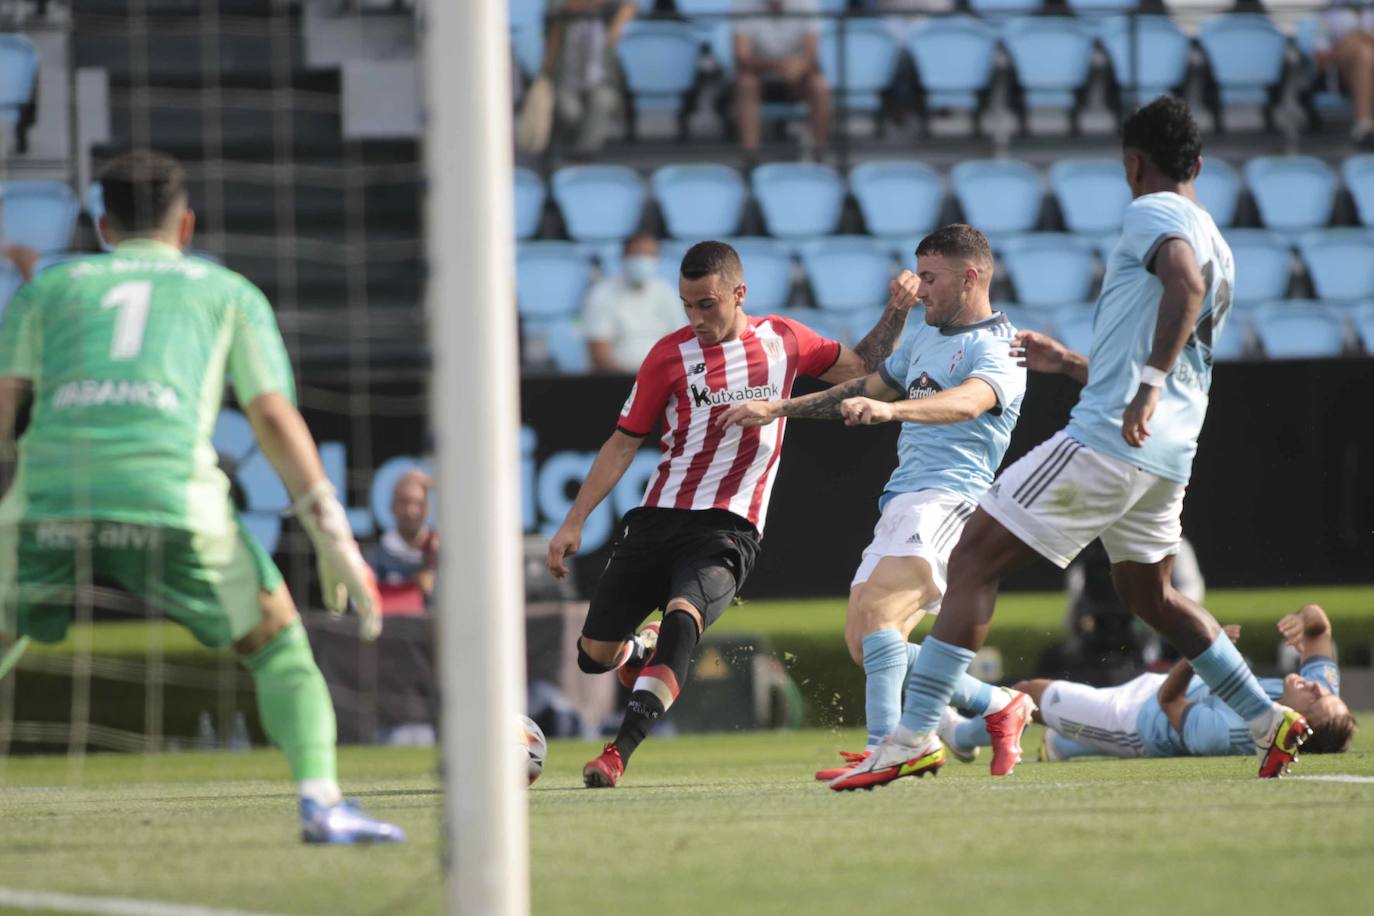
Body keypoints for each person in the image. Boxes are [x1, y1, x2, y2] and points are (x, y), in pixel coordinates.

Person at [832, 96, 1312, 791]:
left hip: (1111, 436)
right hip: (1170, 453)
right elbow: (1187, 335)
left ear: (1132, 163)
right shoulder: (1220, 239)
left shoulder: (1154, 213)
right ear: (1200, 165)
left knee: (972, 558)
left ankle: (911, 737)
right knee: (1153, 596)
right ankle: (1266, 720)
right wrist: (1077, 364)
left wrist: (1140, 386)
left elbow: (1183, 283)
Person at [0, 150, 404, 844]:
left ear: (102, 226)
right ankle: (320, 803)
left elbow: (5, 407)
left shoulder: (47, 291)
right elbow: (274, 416)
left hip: (50, 497)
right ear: (185, 225)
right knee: (277, 643)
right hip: (172, 500)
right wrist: (332, 535)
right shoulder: (227, 292)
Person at [547, 239, 918, 788]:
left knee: (683, 618)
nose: (696, 318)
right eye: (687, 305)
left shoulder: (785, 340)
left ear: (739, 293)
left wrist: (899, 309)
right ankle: (634, 647)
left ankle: (617, 752)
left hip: (730, 527)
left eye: (707, 305)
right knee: (594, 657)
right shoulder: (668, 357)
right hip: (659, 518)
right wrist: (574, 520)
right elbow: (623, 443)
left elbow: (860, 369)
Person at [719, 224, 1037, 780]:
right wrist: (780, 408)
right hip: (905, 497)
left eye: (931, 279)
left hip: (950, 498)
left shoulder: (1003, 345)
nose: (922, 291)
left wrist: (894, 412)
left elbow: (967, 403)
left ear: (971, 276)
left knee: (884, 616)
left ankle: (885, 748)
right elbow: (865, 387)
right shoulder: (923, 335)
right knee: (866, 641)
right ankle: (997, 705)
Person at [942, 605, 1357, 763]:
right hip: (1142, 694)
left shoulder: (1232, 734)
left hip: (1135, 724)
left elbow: (1170, 702)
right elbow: (1321, 628)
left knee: (1032, 691)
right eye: (1325, 691)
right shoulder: (1314, 691)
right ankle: (1064, 745)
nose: (1320, 689)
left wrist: (1203, 654)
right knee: (1064, 727)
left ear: (1294, 723)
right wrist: (1308, 618)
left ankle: (962, 735)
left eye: (1316, 700)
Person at [533, 0, 638, 156]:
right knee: (570, 111)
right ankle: (567, 152)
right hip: (566, 77)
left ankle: (584, 156)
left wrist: (617, 24)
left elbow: (630, 5)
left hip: (599, 77)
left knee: (603, 100)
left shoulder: (605, 22)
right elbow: (559, 7)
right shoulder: (561, 16)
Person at [734, 0, 832, 163]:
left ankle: (819, 154)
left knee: (820, 85)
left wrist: (798, 67)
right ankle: (750, 158)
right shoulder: (742, 4)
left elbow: (811, 57)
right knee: (746, 83)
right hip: (760, 76)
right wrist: (778, 64)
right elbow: (742, 59)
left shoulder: (808, 4)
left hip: (797, 79)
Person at [583, 233, 684, 372]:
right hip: (616, 382)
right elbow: (599, 352)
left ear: (658, 259)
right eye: (637, 254)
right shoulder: (602, 293)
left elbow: (680, 344)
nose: (643, 260)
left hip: (662, 380)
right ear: (624, 257)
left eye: (649, 254)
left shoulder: (667, 293)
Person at [371, 468, 437, 615]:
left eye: (418, 503)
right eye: (404, 502)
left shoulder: (440, 552)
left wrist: (432, 593)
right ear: (392, 506)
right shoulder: (375, 557)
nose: (411, 511)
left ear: (427, 508)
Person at [1312, 3, 1374, 149]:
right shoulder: (1328, 14)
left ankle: (1364, 124)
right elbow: (1321, 58)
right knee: (1363, 52)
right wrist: (1354, 40)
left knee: (1366, 54)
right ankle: (1364, 122)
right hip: (1341, 74)